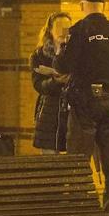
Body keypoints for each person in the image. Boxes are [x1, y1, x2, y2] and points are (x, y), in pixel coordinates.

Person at [53, 0, 109, 216]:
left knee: (78, 162)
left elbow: (63, 66)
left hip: (84, 102)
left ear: (83, 5)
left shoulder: (79, 30)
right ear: (104, 6)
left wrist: (61, 46)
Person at [30, 12, 72, 154]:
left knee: (72, 160)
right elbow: (38, 84)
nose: (63, 31)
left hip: (72, 110)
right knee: (49, 160)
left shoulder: (77, 52)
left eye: (67, 27)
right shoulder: (39, 54)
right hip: (49, 111)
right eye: (59, 27)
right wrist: (55, 81)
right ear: (50, 29)